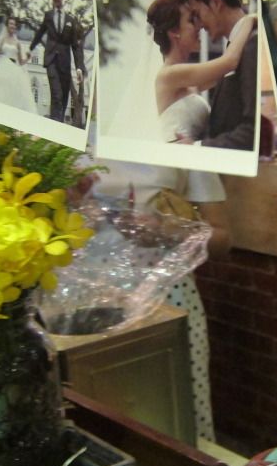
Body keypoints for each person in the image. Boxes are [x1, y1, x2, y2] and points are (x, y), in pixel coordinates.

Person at [87, 152, 232, 444]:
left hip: (166, 298)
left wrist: (168, 231)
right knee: (95, 421)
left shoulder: (179, 135)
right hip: (81, 300)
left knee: (176, 419)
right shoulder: (63, 131)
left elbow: (223, 239)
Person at [146, 0, 255, 144]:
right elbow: (229, 62)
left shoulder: (190, 79)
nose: (199, 26)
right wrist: (248, 21)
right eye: (192, 20)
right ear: (174, 32)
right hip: (176, 155)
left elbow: (230, 74)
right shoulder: (169, 75)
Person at [178, 0, 258, 150]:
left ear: (215, 2)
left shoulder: (252, 45)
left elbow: (254, 130)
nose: (199, 25)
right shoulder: (234, 50)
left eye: (197, 14)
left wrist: (197, 147)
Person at [30, 0, 87, 124]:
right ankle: (55, 124)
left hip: (65, 64)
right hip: (51, 61)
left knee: (64, 98)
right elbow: (39, 34)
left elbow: (75, 46)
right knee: (57, 94)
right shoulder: (48, 16)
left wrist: (79, 67)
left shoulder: (70, 20)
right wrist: (29, 49)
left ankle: (57, 124)